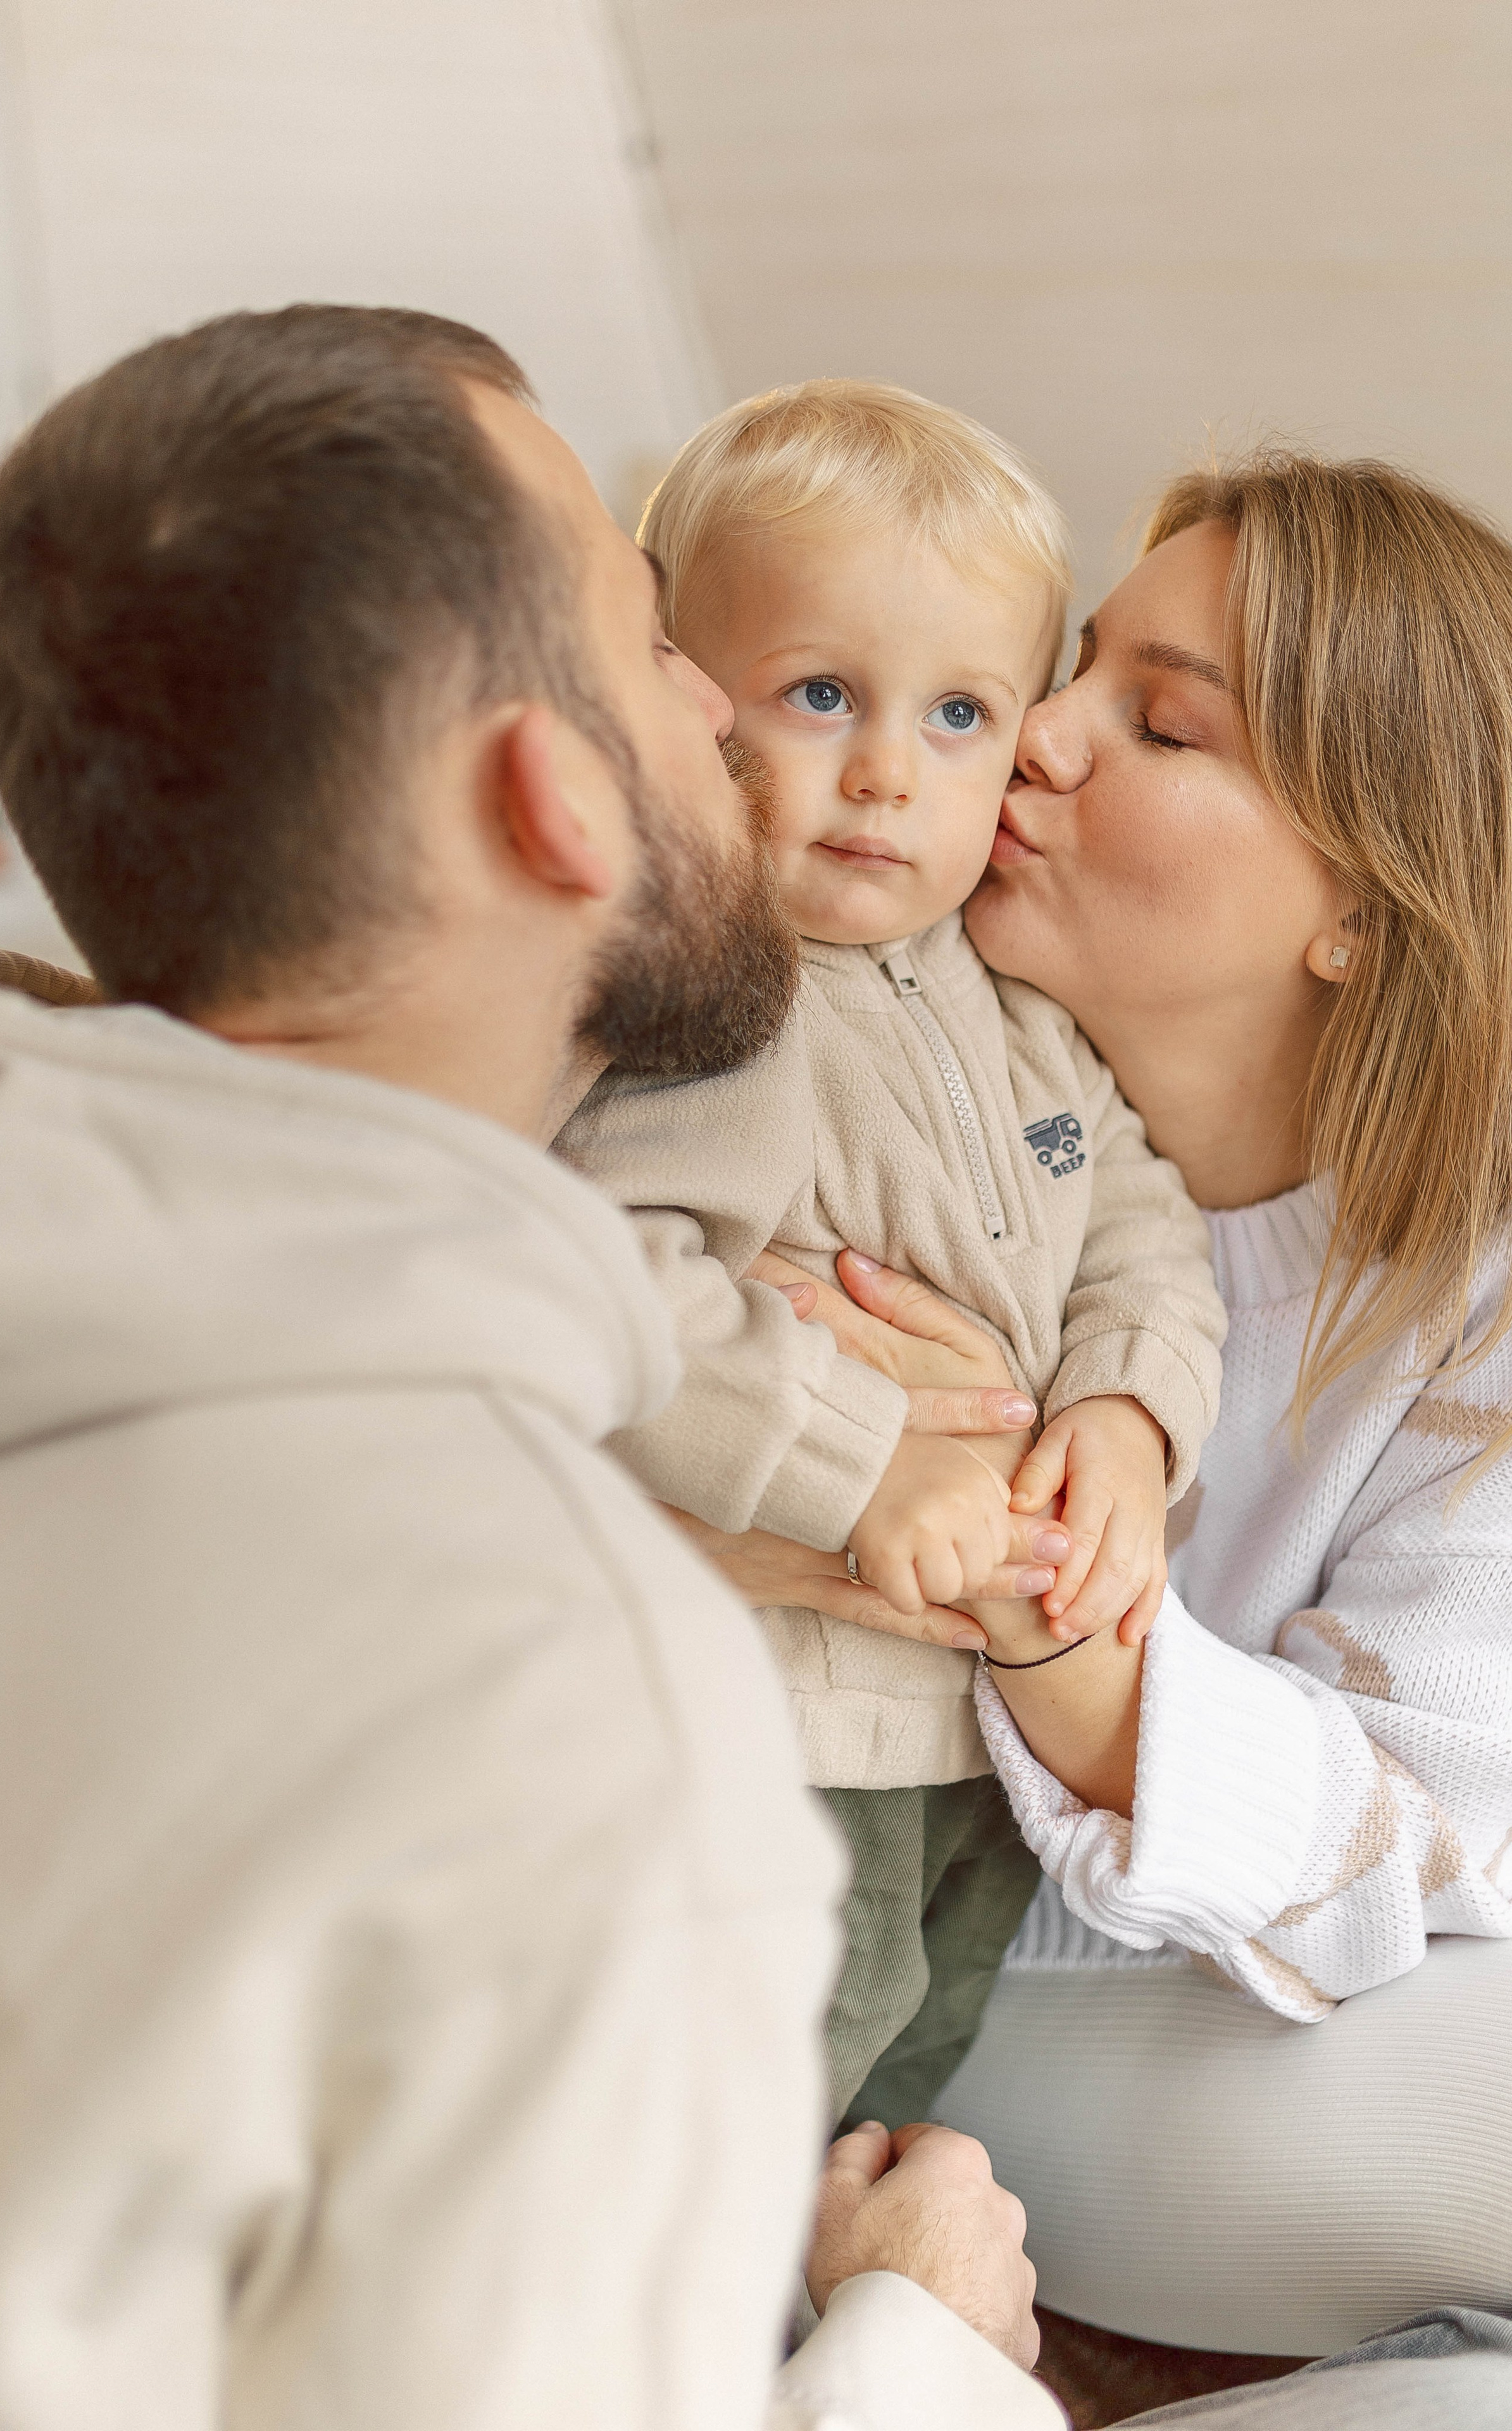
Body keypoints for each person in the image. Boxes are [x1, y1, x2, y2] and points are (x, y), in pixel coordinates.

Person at [0, 308, 1506, 2431]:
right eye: (670, 649)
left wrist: (1032, 1489)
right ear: (558, 798)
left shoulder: (50, 1212)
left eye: (1097, 706)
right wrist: (912, 2347)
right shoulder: (579, 1683)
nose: (1009, 742)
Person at [684, 450, 1512, 2360]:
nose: (1033, 738)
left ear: (1360, 914)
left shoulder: (1469, 1309)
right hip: (833, 1924)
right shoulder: (815, 1064)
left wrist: (1007, 1560)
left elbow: (1423, 1844)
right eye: (1067, 672)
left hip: (1124, 2019)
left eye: (1160, 724)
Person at [557, 379, 1226, 2131]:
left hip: (972, 1741)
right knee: (766, 2093)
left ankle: (861, 2277)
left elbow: (1137, 1223)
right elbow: (619, 1290)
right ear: (689, 702)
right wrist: (863, 1464)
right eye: (821, 695)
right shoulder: (717, 1010)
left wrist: (1129, 1414)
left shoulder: (1018, 1008)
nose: (884, 772)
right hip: (779, 1721)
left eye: (958, 713)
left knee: (917, 2064)